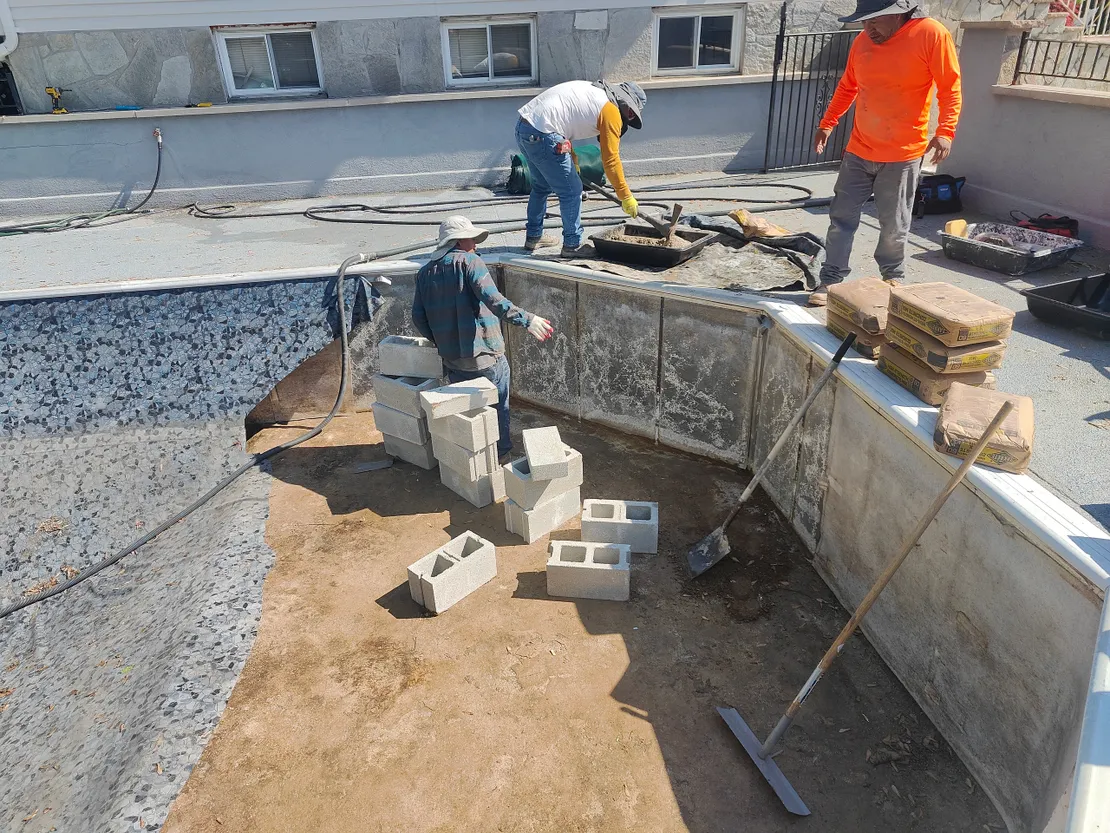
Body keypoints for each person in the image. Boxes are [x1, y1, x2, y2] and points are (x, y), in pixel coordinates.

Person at [808, 0, 961, 306]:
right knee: (841, 219)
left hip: (903, 155)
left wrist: (945, 131)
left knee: (894, 224)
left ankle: (893, 277)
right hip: (859, 150)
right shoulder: (862, 42)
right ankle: (830, 281)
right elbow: (847, 86)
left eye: (873, 21)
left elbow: (949, 87)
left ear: (898, 13)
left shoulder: (931, 34)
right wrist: (828, 122)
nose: (867, 29)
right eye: (864, 22)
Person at [412, 216, 554, 459]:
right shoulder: (470, 262)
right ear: (458, 241)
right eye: (472, 240)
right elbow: (494, 300)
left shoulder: (424, 273)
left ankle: (473, 461)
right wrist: (528, 320)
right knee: (498, 409)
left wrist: (441, 342)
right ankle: (499, 457)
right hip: (486, 357)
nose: (476, 245)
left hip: (452, 361)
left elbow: (418, 318)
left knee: (468, 415)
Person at [516, 80, 647, 257]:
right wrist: (625, 196)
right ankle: (573, 245)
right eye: (631, 114)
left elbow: (566, 123)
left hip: (525, 128)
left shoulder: (595, 92)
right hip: (543, 133)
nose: (629, 118)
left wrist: (573, 159)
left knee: (541, 186)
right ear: (627, 106)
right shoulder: (611, 111)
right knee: (572, 191)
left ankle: (534, 237)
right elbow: (611, 160)